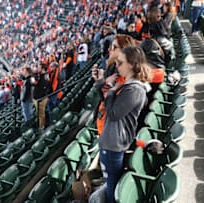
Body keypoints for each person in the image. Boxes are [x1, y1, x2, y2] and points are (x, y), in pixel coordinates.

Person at [92, 46, 151, 203]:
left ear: (131, 64)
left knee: (112, 185)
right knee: (112, 182)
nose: (116, 66)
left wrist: (111, 92)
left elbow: (112, 113)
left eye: (120, 62)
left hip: (113, 144)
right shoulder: (129, 85)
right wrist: (100, 82)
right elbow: (107, 102)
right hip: (113, 142)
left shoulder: (134, 89)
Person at [94, 34, 138, 136]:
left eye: (114, 47)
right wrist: (100, 81)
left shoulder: (123, 75)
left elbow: (111, 105)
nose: (110, 49)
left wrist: (103, 84)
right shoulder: (114, 68)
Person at [33, 63, 50, 129]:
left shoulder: (44, 77)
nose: (38, 69)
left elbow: (44, 88)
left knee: (41, 114)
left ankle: (41, 127)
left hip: (41, 99)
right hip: (38, 98)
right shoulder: (40, 75)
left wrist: (40, 98)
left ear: (42, 69)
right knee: (39, 114)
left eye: (39, 67)